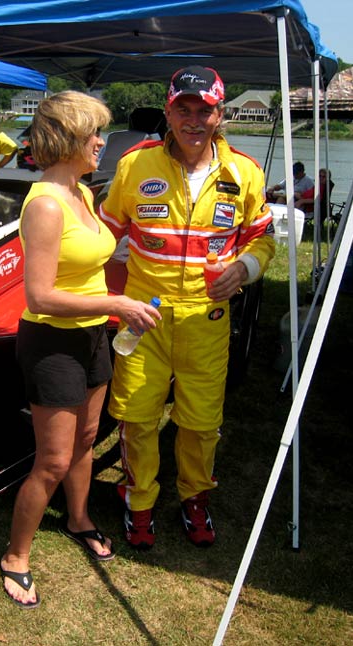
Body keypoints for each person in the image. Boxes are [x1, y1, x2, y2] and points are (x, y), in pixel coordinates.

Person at [98, 66, 276, 549]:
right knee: (136, 415)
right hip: (143, 316)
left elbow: (263, 239)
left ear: (220, 115)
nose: (194, 120)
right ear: (168, 111)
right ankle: (139, 501)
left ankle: (195, 498)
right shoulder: (135, 165)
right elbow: (104, 233)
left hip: (207, 318)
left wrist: (247, 269)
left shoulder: (244, 171)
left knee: (200, 421)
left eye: (205, 111)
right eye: (184, 109)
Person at [0, 91, 161, 608]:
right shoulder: (46, 204)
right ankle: (16, 557)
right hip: (53, 340)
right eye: (94, 133)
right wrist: (118, 302)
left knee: (88, 440)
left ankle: (78, 518)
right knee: (51, 460)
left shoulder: (84, 193)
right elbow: (39, 295)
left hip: (93, 334)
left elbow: (92, 263)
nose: (101, 142)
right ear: (68, 138)